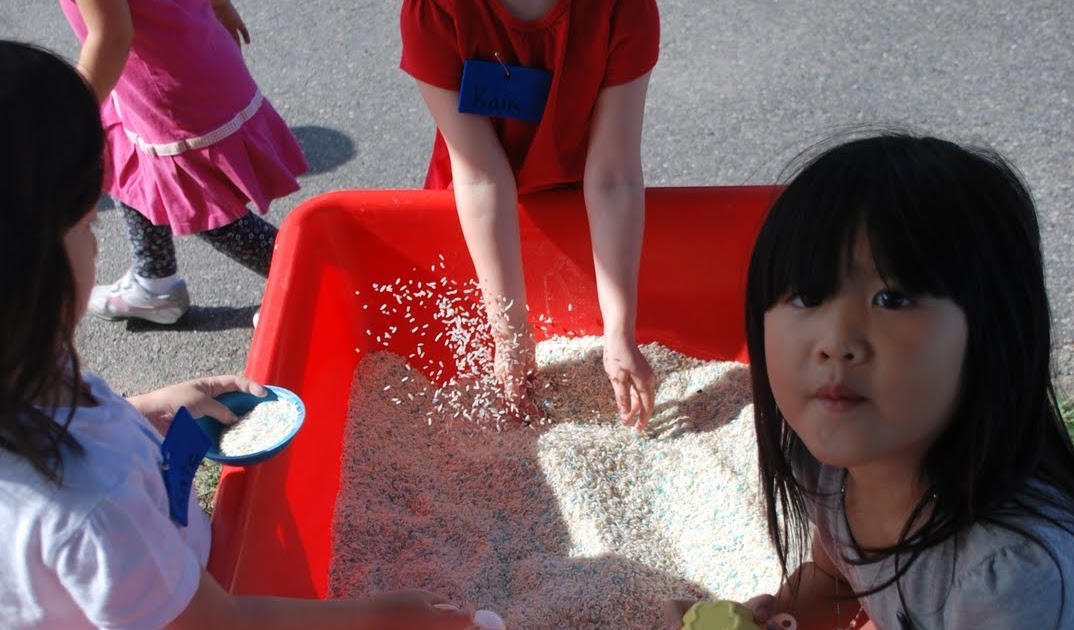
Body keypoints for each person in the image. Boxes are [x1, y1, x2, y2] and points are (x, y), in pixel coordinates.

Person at [0, 40, 475, 629]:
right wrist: (377, 617)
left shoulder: (27, 370)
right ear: (29, 269)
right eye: (82, 222)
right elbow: (217, 622)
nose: (98, 240)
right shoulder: (94, 504)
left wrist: (145, 411)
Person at [666, 133, 1074, 630]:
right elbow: (830, 583)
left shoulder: (1011, 575)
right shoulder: (832, 471)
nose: (836, 341)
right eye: (809, 296)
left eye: (893, 299)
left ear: (996, 332)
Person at [399, 0, 660, 429]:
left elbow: (612, 177)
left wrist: (619, 332)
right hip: (475, 212)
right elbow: (482, 178)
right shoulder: (434, 11)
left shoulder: (623, 9)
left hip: (577, 200)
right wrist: (511, 333)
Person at [59, 0, 309, 325]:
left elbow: (111, 36)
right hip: (177, 55)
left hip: (167, 87)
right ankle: (154, 280)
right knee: (126, 158)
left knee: (207, 211)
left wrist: (67, 112)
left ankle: (313, 275)